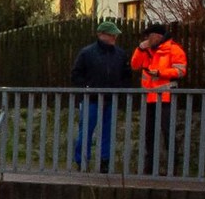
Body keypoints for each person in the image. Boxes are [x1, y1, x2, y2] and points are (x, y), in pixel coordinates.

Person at [69, 19, 133, 172]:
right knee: (86, 131)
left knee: (108, 132)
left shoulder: (120, 54)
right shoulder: (87, 53)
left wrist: (121, 89)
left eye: (114, 35)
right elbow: (76, 74)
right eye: (112, 35)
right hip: (91, 98)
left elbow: (126, 75)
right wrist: (87, 88)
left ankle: (105, 161)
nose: (114, 38)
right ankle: (82, 161)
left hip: (111, 99)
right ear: (102, 35)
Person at [130, 22, 188, 175]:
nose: (147, 38)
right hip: (149, 98)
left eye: (149, 35)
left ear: (157, 36)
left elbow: (180, 71)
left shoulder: (174, 49)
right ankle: (149, 167)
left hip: (166, 97)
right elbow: (134, 65)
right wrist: (140, 49)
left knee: (168, 132)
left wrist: (160, 73)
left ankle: (172, 168)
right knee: (149, 133)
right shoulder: (147, 49)